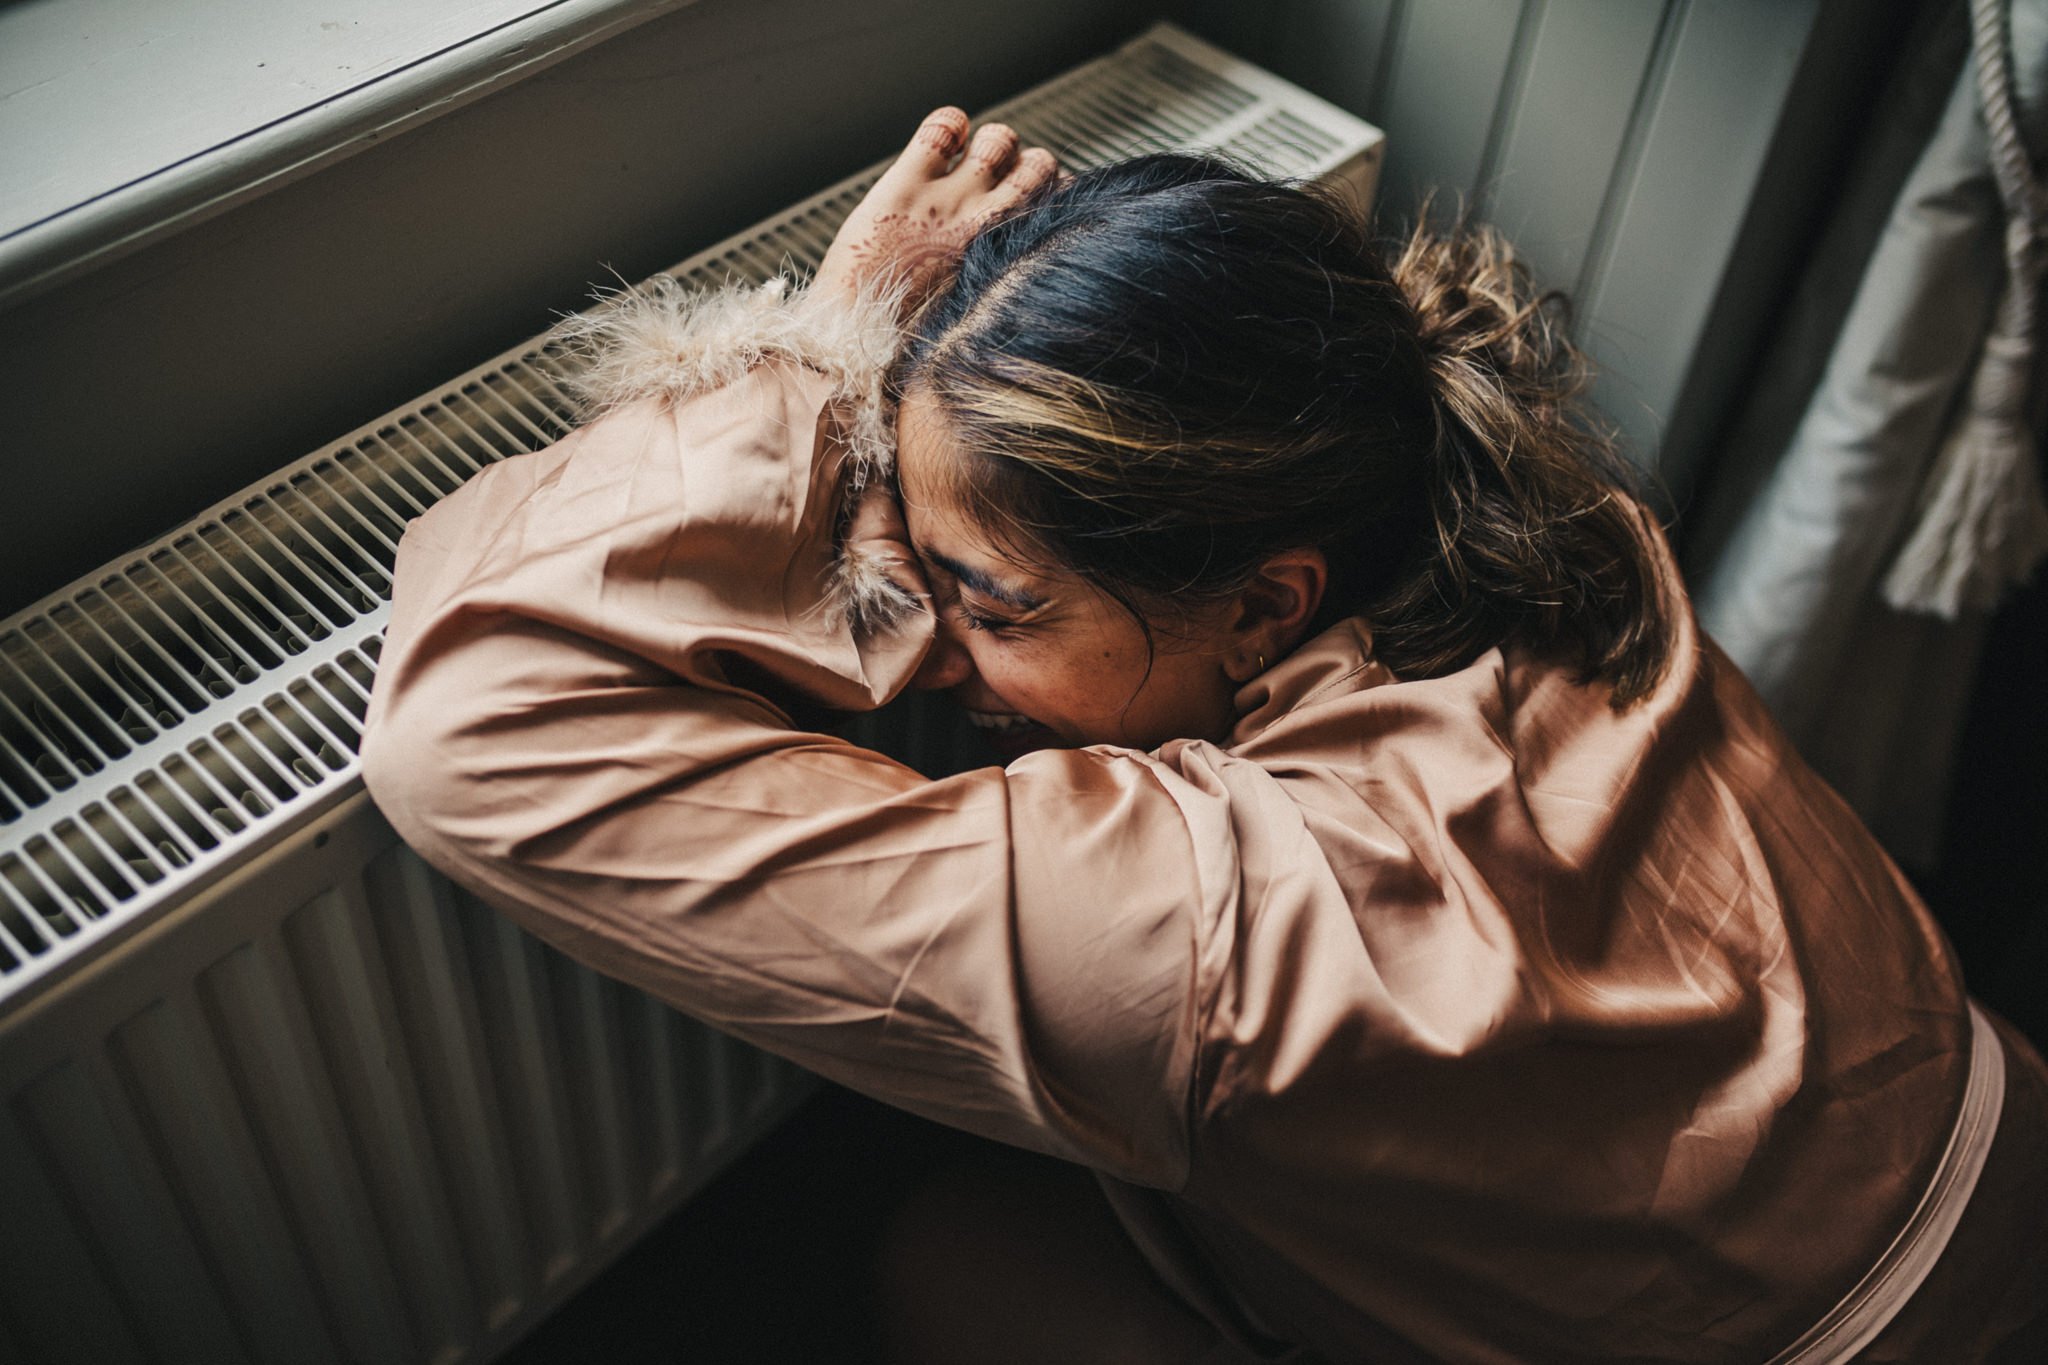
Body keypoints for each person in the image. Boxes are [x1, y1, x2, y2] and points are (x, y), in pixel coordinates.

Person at [360, 108, 2048, 1362]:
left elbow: (465, 728)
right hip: (1996, 1140)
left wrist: (819, 343)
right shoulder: (1528, 508)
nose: (933, 656)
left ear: (1261, 603)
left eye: (994, 607)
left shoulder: (1219, 930)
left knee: (949, 1262)